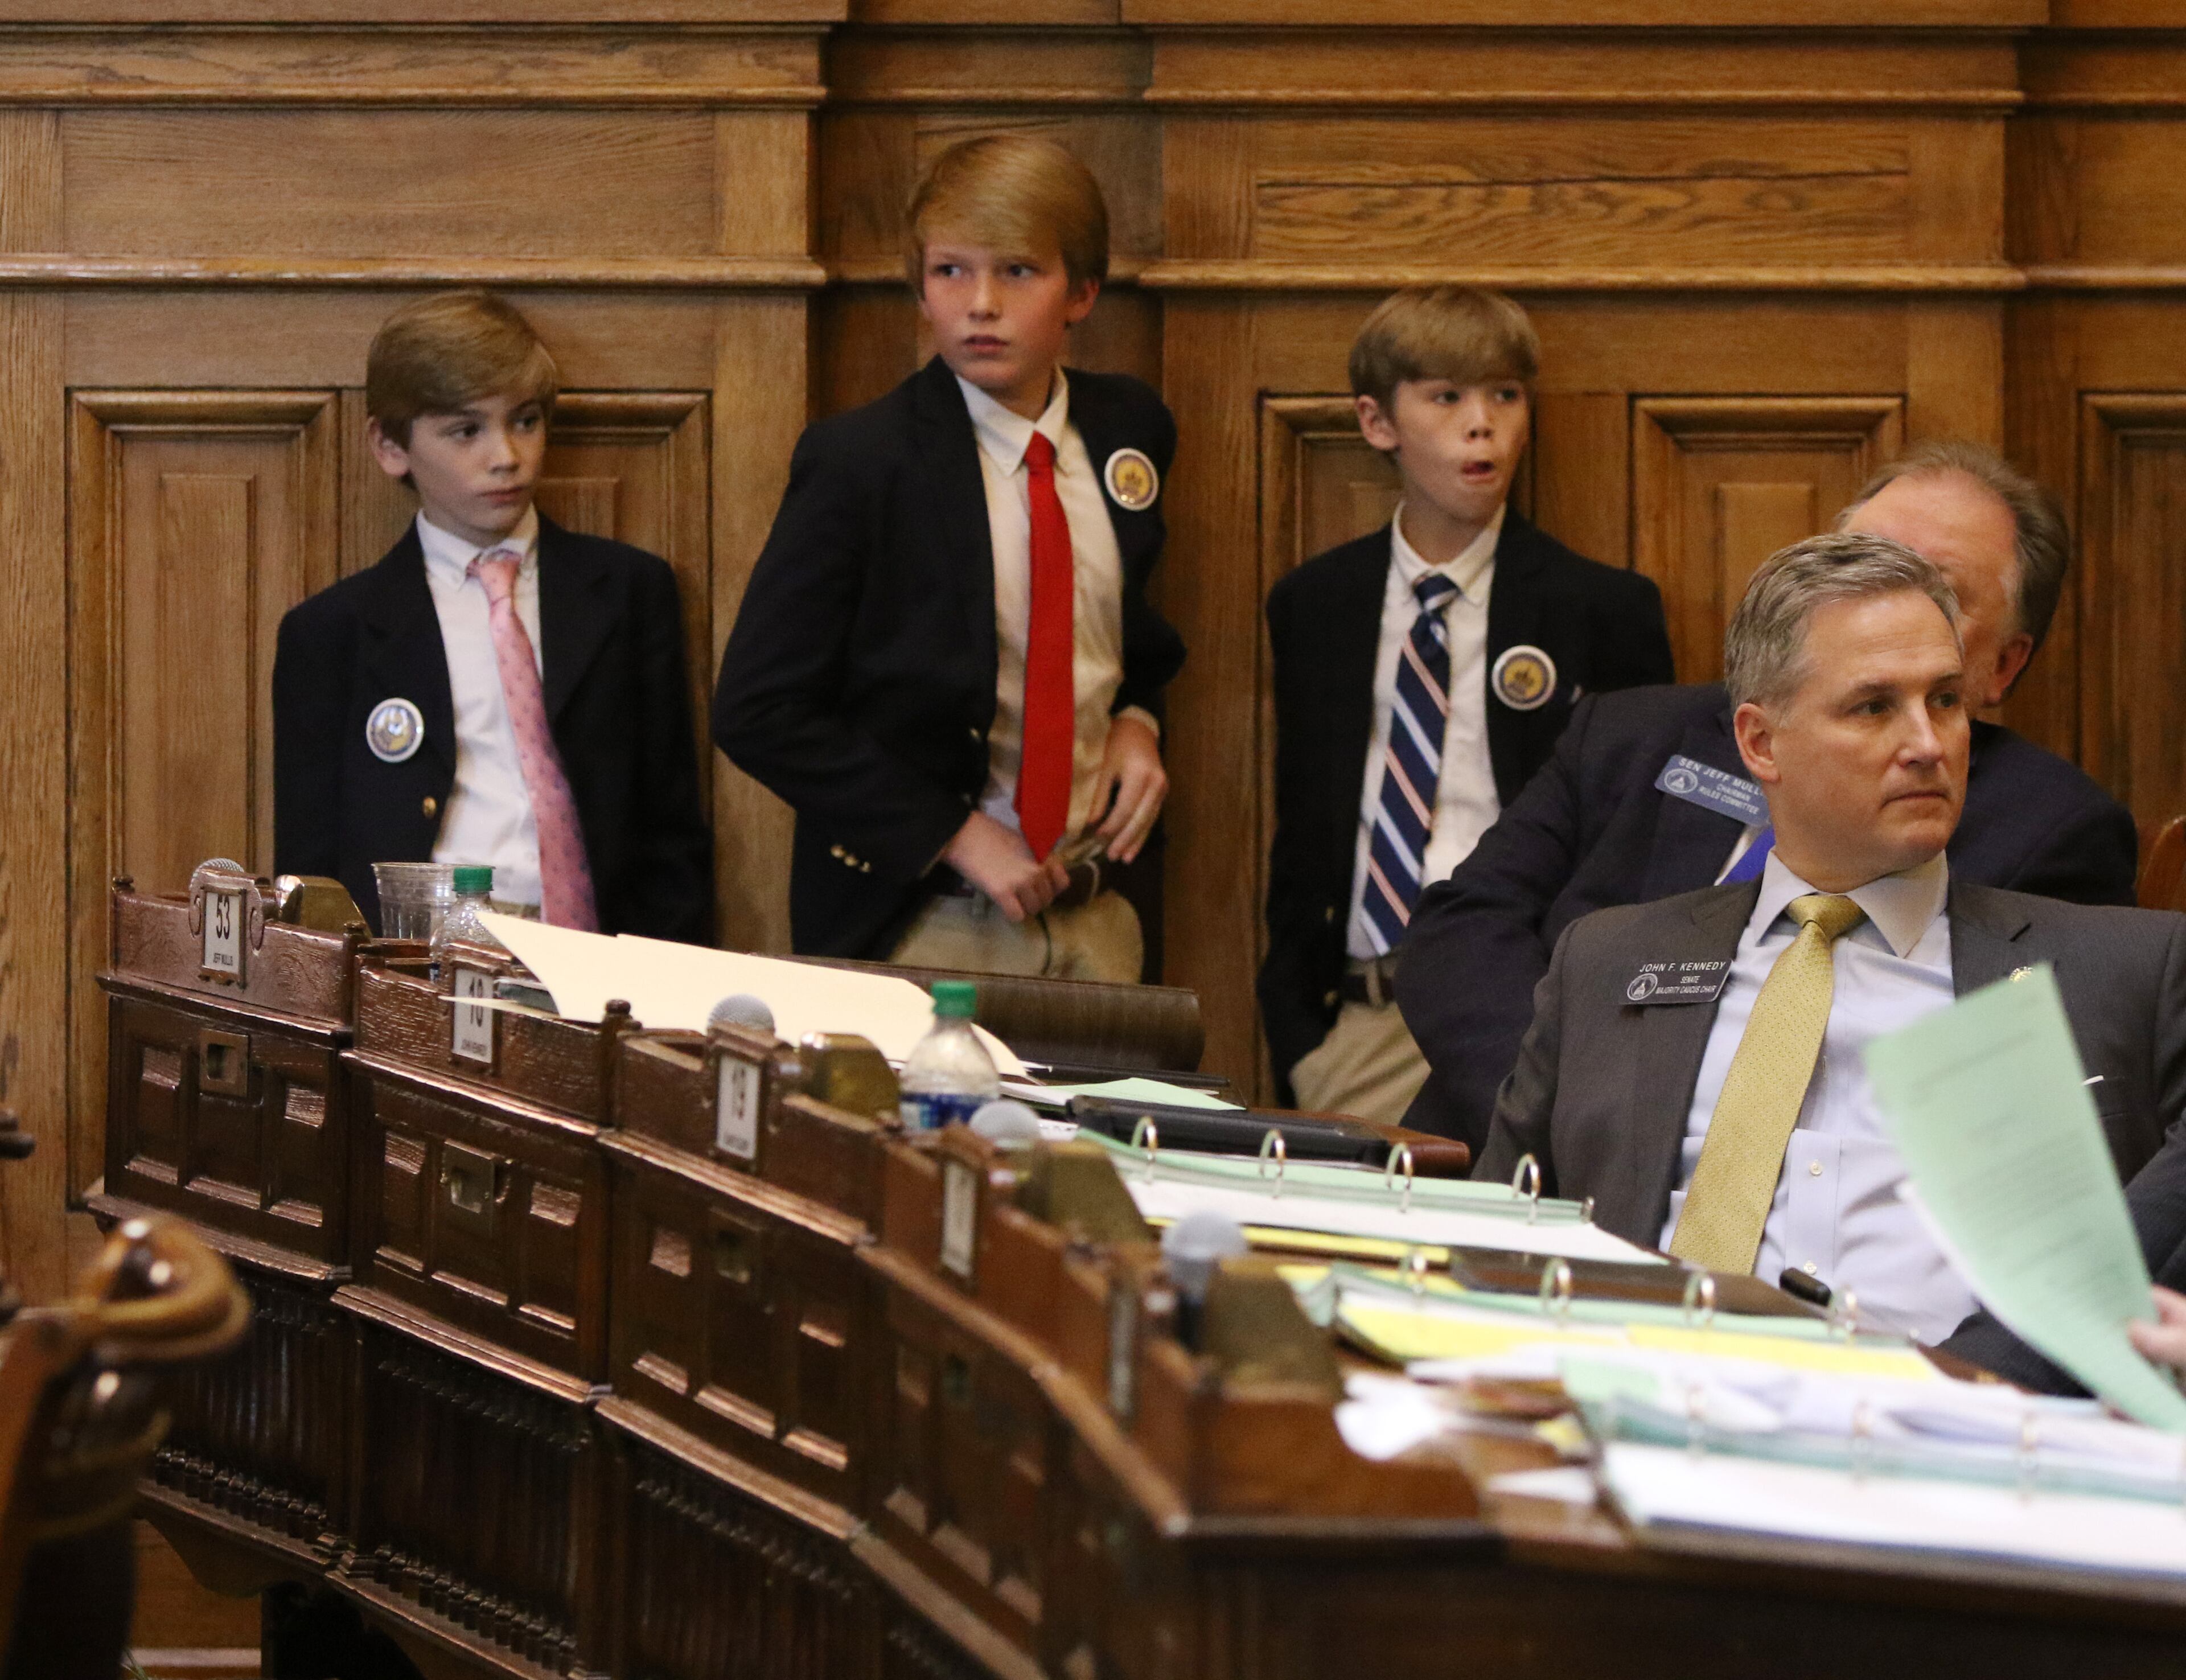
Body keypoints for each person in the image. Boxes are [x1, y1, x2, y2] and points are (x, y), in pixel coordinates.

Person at [1474, 533, 2184, 1344]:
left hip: (1947, 1425)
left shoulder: (2127, 969)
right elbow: (1503, 1238)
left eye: (1946, 700)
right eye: (1874, 706)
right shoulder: (1605, 960)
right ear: (1761, 743)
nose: (1927, 743)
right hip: (1638, 1396)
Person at [1399, 442, 2137, 1150]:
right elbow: (1463, 926)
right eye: (1850, 569)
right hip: (1493, 1147)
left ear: (2001, 666)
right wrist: (1565, 1107)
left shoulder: (2054, 829)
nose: (1880, 610)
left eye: (1932, 590)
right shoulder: (1629, 734)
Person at [712, 135, 1182, 979]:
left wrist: (1137, 721)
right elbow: (759, 709)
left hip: (1096, 911)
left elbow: (1124, 631)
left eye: (1018, 272)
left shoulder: (1129, 433)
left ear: (1082, 292)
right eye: (951, 272)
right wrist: (955, 833)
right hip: (922, 920)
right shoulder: (864, 461)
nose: (981, 304)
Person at [1258, 287, 1673, 1122]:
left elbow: (1642, 834)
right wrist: (1301, 1032)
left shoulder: (1602, 608)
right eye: (1447, 397)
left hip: (1523, 1006)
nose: (1481, 424)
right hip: (1361, 1018)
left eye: (1505, 396)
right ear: (1379, 422)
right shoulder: (1316, 603)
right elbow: (1306, 823)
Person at [273, 290, 712, 940]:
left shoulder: (629, 591)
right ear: (391, 447)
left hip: (601, 964)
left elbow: (669, 825)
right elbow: (312, 875)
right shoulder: (332, 631)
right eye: (466, 430)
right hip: (417, 966)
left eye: (525, 421)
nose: (505, 455)